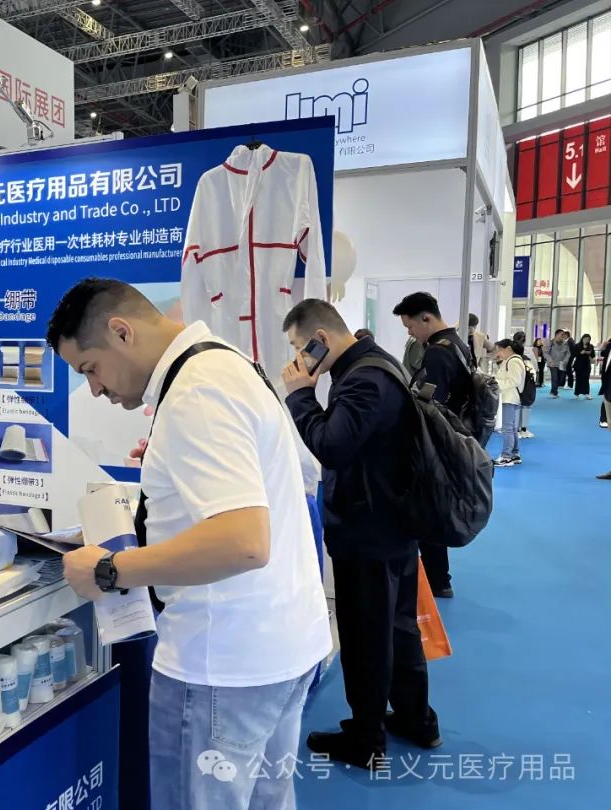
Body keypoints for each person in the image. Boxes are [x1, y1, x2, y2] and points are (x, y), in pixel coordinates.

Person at [49, 278, 331, 810]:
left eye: (90, 368)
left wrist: (111, 569)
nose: (96, 389)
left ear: (121, 332)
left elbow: (244, 542)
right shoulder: (221, 364)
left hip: (221, 667)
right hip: (281, 648)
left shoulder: (195, 393)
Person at [281, 299, 439, 770]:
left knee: (366, 635)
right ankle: (415, 718)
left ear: (320, 339)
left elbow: (332, 446)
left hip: (368, 531)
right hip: (391, 522)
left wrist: (300, 396)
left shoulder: (362, 379)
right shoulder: (377, 363)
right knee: (397, 628)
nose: (298, 358)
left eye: (300, 347)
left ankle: (367, 739)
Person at [391, 292, 469, 598]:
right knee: (433, 509)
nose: (410, 333)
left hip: (436, 442)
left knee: (427, 510)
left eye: (410, 326)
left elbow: (428, 405)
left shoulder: (438, 353)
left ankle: (437, 579)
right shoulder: (457, 345)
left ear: (426, 318)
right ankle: (439, 578)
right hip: (454, 438)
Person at [493, 339, 526, 467]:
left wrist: (495, 383)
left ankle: (506, 456)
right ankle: (515, 454)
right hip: (511, 397)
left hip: (510, 397)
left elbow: (514, 380)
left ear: (508, 349)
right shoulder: (511, 360)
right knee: (512, 428)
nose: (498, 353)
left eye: (499, 350)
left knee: (508, 429)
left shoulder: (513, 361)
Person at [513, 331, 536, 439]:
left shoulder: (511, 350)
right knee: (525, 405)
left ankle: (519, 429)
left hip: (519, 381)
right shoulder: (528, 351)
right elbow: (535, 366)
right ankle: (523, 429)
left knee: (519, 405)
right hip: (526, 381)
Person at [546, 330, 572, 398]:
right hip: (553, 364)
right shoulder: (550, 342)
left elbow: (568, 353)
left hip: (562, 364)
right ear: (556, 334)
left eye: (563, 334)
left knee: (561, 379)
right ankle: (554, 393)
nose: (563, 336)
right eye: (561, 334)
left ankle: (553, 390)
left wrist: (565, 360)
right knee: (555, 378)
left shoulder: (565, 343)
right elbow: (546, 353)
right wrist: (550, 361)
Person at [574, 334, 595, 400]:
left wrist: (590, 353)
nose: (586, 340)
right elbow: (574, 354)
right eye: (585, 339)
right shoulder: (577, 345)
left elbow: (593, 355)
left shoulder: (591, 346)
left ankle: (587, 394)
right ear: (582, 338)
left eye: (588, 339)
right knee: (578, 379)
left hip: (587, 365)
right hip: (578, 364)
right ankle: (577, 394)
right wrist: (580, 353)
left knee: (586, 379)